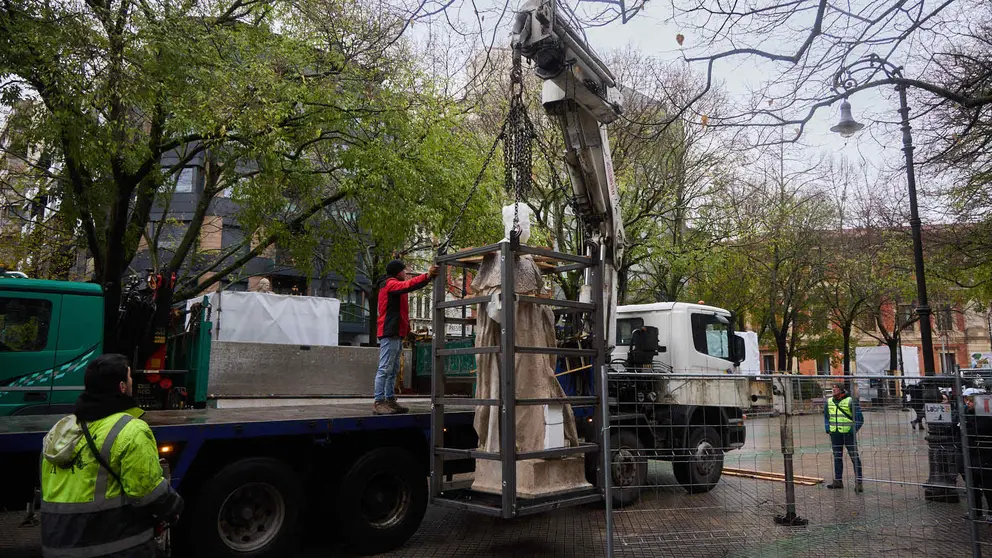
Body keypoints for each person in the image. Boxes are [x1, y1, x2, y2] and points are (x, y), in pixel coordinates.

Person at [40, 354, 183, 557]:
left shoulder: (60, 431)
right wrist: (175, 506)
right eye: (130, 377)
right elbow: (147, 493)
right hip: (112, 547)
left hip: (57, 547)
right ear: (122, 387)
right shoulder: (130, 430)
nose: (132, 381)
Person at [374, 259, 437, 415]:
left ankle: (389, 400)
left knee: (393, 369)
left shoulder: (393, 285)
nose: (406, 273)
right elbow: (408, 285)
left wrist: (407, 330)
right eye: (403, 270)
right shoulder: (390, 284)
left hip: (394, 332)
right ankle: (379, 401)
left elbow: (401, 312)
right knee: (385, 368)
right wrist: (427, 276)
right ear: (397, 272)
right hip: (390, 331)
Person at [824, 382, 865, 492]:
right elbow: (827, 417)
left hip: (848, 435)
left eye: (836, 388)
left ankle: (859, 482)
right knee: (837, 457)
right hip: (835, 434)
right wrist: (828, 428)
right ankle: (838, 481)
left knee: (854, 457)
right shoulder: (829, 402)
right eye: (833, 388)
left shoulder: (851, 401)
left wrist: (852, 430)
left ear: (842, 390)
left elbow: (860, 419)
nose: (833, 389)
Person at [962, 388, 992, 520]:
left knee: (987, 484)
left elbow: (979, 430)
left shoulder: (985, 415)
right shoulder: (966, 413)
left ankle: (990, 511)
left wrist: (966, 429)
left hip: (984, 453)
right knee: (972, 483)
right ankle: (976, 510)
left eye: (970, 401)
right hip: (971, 452)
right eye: (966, 400)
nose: (967, 403)